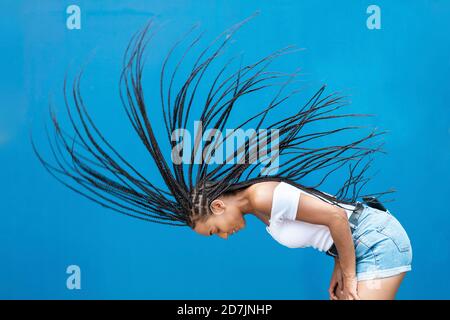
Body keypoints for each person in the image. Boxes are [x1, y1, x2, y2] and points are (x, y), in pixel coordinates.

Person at [31, 13, 411, 299]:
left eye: (214, 230)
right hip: (358, 242)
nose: (223, 236)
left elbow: (335, 218)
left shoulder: (263, 196)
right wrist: (338, 267)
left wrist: (347, 270)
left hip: (374, 239)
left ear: (216, 206)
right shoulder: (259, 205)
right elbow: (329, 222)